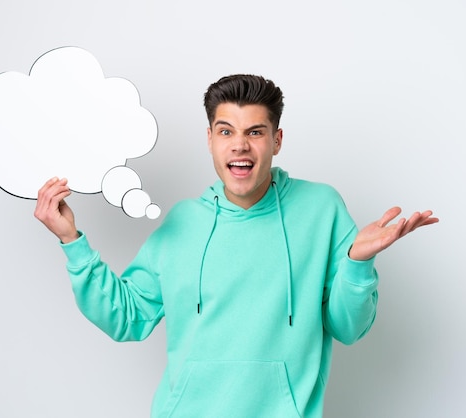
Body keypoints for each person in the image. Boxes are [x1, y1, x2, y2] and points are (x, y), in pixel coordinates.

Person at [34, 74, 438, 418]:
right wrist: (71, 240)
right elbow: (126, 318)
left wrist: (357, 264)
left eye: (255, 132)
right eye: (226, 131)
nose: (239, 145)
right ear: (210, 139)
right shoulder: (183, 223)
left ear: (276, 141)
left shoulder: (321, 208)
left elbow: (348, 329)